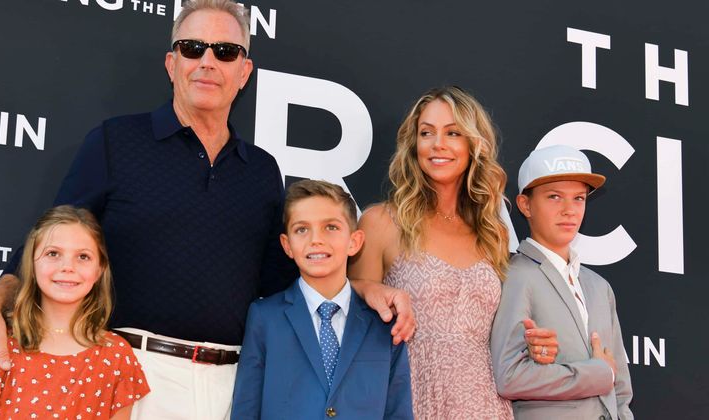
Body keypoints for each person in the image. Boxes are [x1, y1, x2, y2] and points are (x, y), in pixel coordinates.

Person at [0, 1, 414, 418]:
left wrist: (359, 288)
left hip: (233, 384)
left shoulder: (261, 171)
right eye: (193, 48)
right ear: (172, 63)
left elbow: (284, 282)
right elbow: (49, 243)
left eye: (225, 52)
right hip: (133, 376)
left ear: (244, 72)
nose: (208, 62)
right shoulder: (116, 143)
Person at [349, 86, 558, 419]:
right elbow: (343, 309)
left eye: (453, 133)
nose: (438, 144)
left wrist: (530, 346)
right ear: (413, 144)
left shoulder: (494, 233)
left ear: (474, 144)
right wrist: (369, 288)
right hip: (409, 396)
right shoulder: (382, 222)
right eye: (426, 133)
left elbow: (500, 334)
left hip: (486, 403)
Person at [231, 180, 413, 420]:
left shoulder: (384, 324)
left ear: (354, 242)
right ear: (287, 245)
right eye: (302, 229)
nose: (315, 239)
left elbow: (398, 412)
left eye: (331, 227)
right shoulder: (265, 318)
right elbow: (246, 409)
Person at [0, 205, 149, 420]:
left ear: (100, 270)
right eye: (53, 253)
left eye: (83, 256)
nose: (68, 267)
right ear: (31, 263)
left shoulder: (117, 356)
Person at [490, 145, 633, 419]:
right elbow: (509, 376)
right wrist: (598, 373)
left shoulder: (599, 287)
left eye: (579, 198)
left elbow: (621, 391)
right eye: (554, 197)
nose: (569, 210)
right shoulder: (513, 275)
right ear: (525, 205)